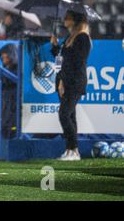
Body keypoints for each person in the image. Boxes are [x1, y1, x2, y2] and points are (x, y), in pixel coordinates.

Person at [50, 10, 91, 161]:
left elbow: (76, 63)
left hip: (73, 82)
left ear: (75, 21)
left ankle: (73, 150)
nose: (64, 20)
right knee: (70, 116)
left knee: (64, 115)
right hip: (65, 81)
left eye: (67, 18)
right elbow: (61, 60)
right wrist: (55, 46)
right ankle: (71, 150)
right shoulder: (69, 37)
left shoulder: (82, 38)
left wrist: (63, 82)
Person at [0, 44, 18, 139]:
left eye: (5, 56)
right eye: (2, 57)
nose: (3, 58)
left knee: (12, 122)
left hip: (14, 102)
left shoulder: (19, 68)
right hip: (6, 102)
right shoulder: (4, 69)